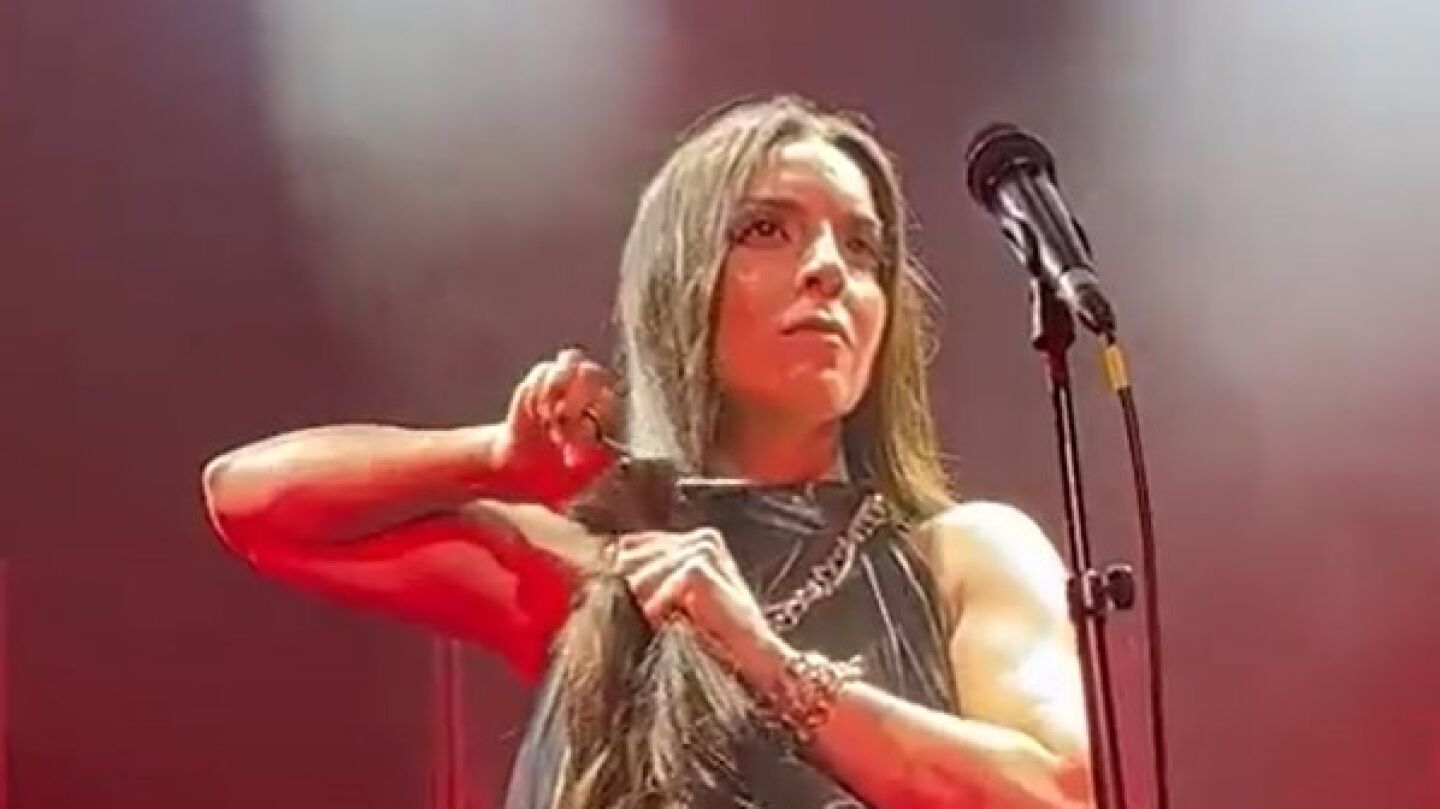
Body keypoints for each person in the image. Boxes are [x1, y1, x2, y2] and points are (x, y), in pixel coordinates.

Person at [202, 95, 1091, 809]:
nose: (831, 268)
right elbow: (251, 501)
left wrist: (770, 665)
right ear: (680, 284)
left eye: (863, 247)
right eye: (766, 229)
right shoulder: (599, 562)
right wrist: (494, 459)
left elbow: (1064, 793)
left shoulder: (963, 555)